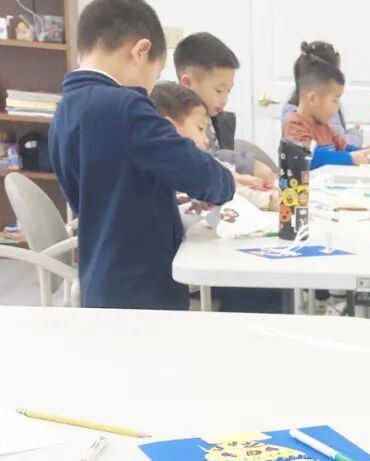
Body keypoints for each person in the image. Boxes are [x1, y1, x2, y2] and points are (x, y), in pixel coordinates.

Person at [49, 0, 235, 310]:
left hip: (99, 278)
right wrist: (226, 180)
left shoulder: (64, 110)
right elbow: (201, 174)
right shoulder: (127, 106)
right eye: (156, 73)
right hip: (143, 284)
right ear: (140, 51)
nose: (151, 87)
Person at [150, 82, 277, 212]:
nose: (206, 140)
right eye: (200, 128)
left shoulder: (208, 163)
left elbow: (226, 179)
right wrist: (269, 200)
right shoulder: (181, 170)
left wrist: (240, 180)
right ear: (169, 128)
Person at [173, 32, 275, 185]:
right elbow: (204, 160)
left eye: (228, 91)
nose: (224, 99)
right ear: (187, 83)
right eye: (219, 90)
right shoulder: (176, 122)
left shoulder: (215, 120)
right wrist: (246, 165)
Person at [282, 42, 370, 167]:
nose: (337, 106)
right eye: (334, 100)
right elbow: (307, 156)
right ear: (313, 99)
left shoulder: (324, 125)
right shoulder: (294, 124)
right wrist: (350, 158)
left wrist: (366, 152)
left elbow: (344, 147)